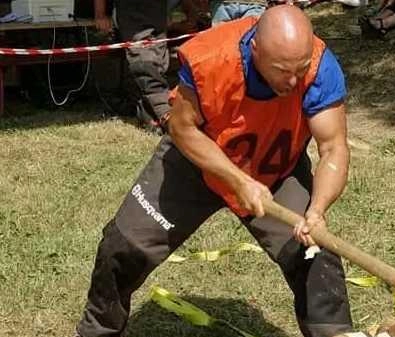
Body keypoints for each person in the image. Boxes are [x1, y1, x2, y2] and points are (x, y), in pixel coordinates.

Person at [75, 5, 356, 337]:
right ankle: (97, 332)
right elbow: (182, 129)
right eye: (282, 70)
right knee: (122, 247)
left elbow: (333, 147)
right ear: (255, 50)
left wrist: (318, 210)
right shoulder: (210, 57)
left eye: (301, 68)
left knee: (315, 258)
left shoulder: (321, 65)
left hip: (274, 169)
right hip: (197, 161)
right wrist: (238, 180)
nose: (294, 81)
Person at [94, 0, 180, 134]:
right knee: (146, 66)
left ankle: (151, 116)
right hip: (133, 18)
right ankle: (164, 116)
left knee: (157, 65)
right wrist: (100, 15)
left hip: (156, 16)